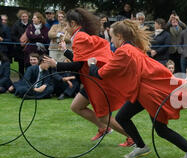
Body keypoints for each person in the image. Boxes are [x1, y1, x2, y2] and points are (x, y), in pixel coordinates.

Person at [86, 19, 187, 158]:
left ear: (120, 36)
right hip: (142, 92)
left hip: (149, 94)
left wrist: (92, 64)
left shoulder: (124, 52)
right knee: (123, 117)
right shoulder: (132, 48)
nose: (111, 41)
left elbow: (101, 74)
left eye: (112, 37)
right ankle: (141, 146)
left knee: (160, 129)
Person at [44, 8, 131, 146]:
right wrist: (66, 52)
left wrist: (56, 64)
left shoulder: (79, 37)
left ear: (73, 23)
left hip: (96, 81)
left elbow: (78, 65)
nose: (65, 28)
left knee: (103, 115)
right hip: (90, 80)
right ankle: (104, 128)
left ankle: (132, 137)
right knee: (76, 106)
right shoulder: (80, 35)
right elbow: (83, 60)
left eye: (66, 25)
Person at [10, 10, 31, 76]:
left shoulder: (31, 24)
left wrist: (27, 41)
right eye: (23, 16)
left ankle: (29, 79)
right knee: (21, 65)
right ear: (20, 17)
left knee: (29, 64)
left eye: (26, 16)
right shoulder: (16, 24)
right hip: (20, 48)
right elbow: (13, 35)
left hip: (29, 47)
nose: (24, 18)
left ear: (28, 17)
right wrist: (20, 42)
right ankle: (21, 79)